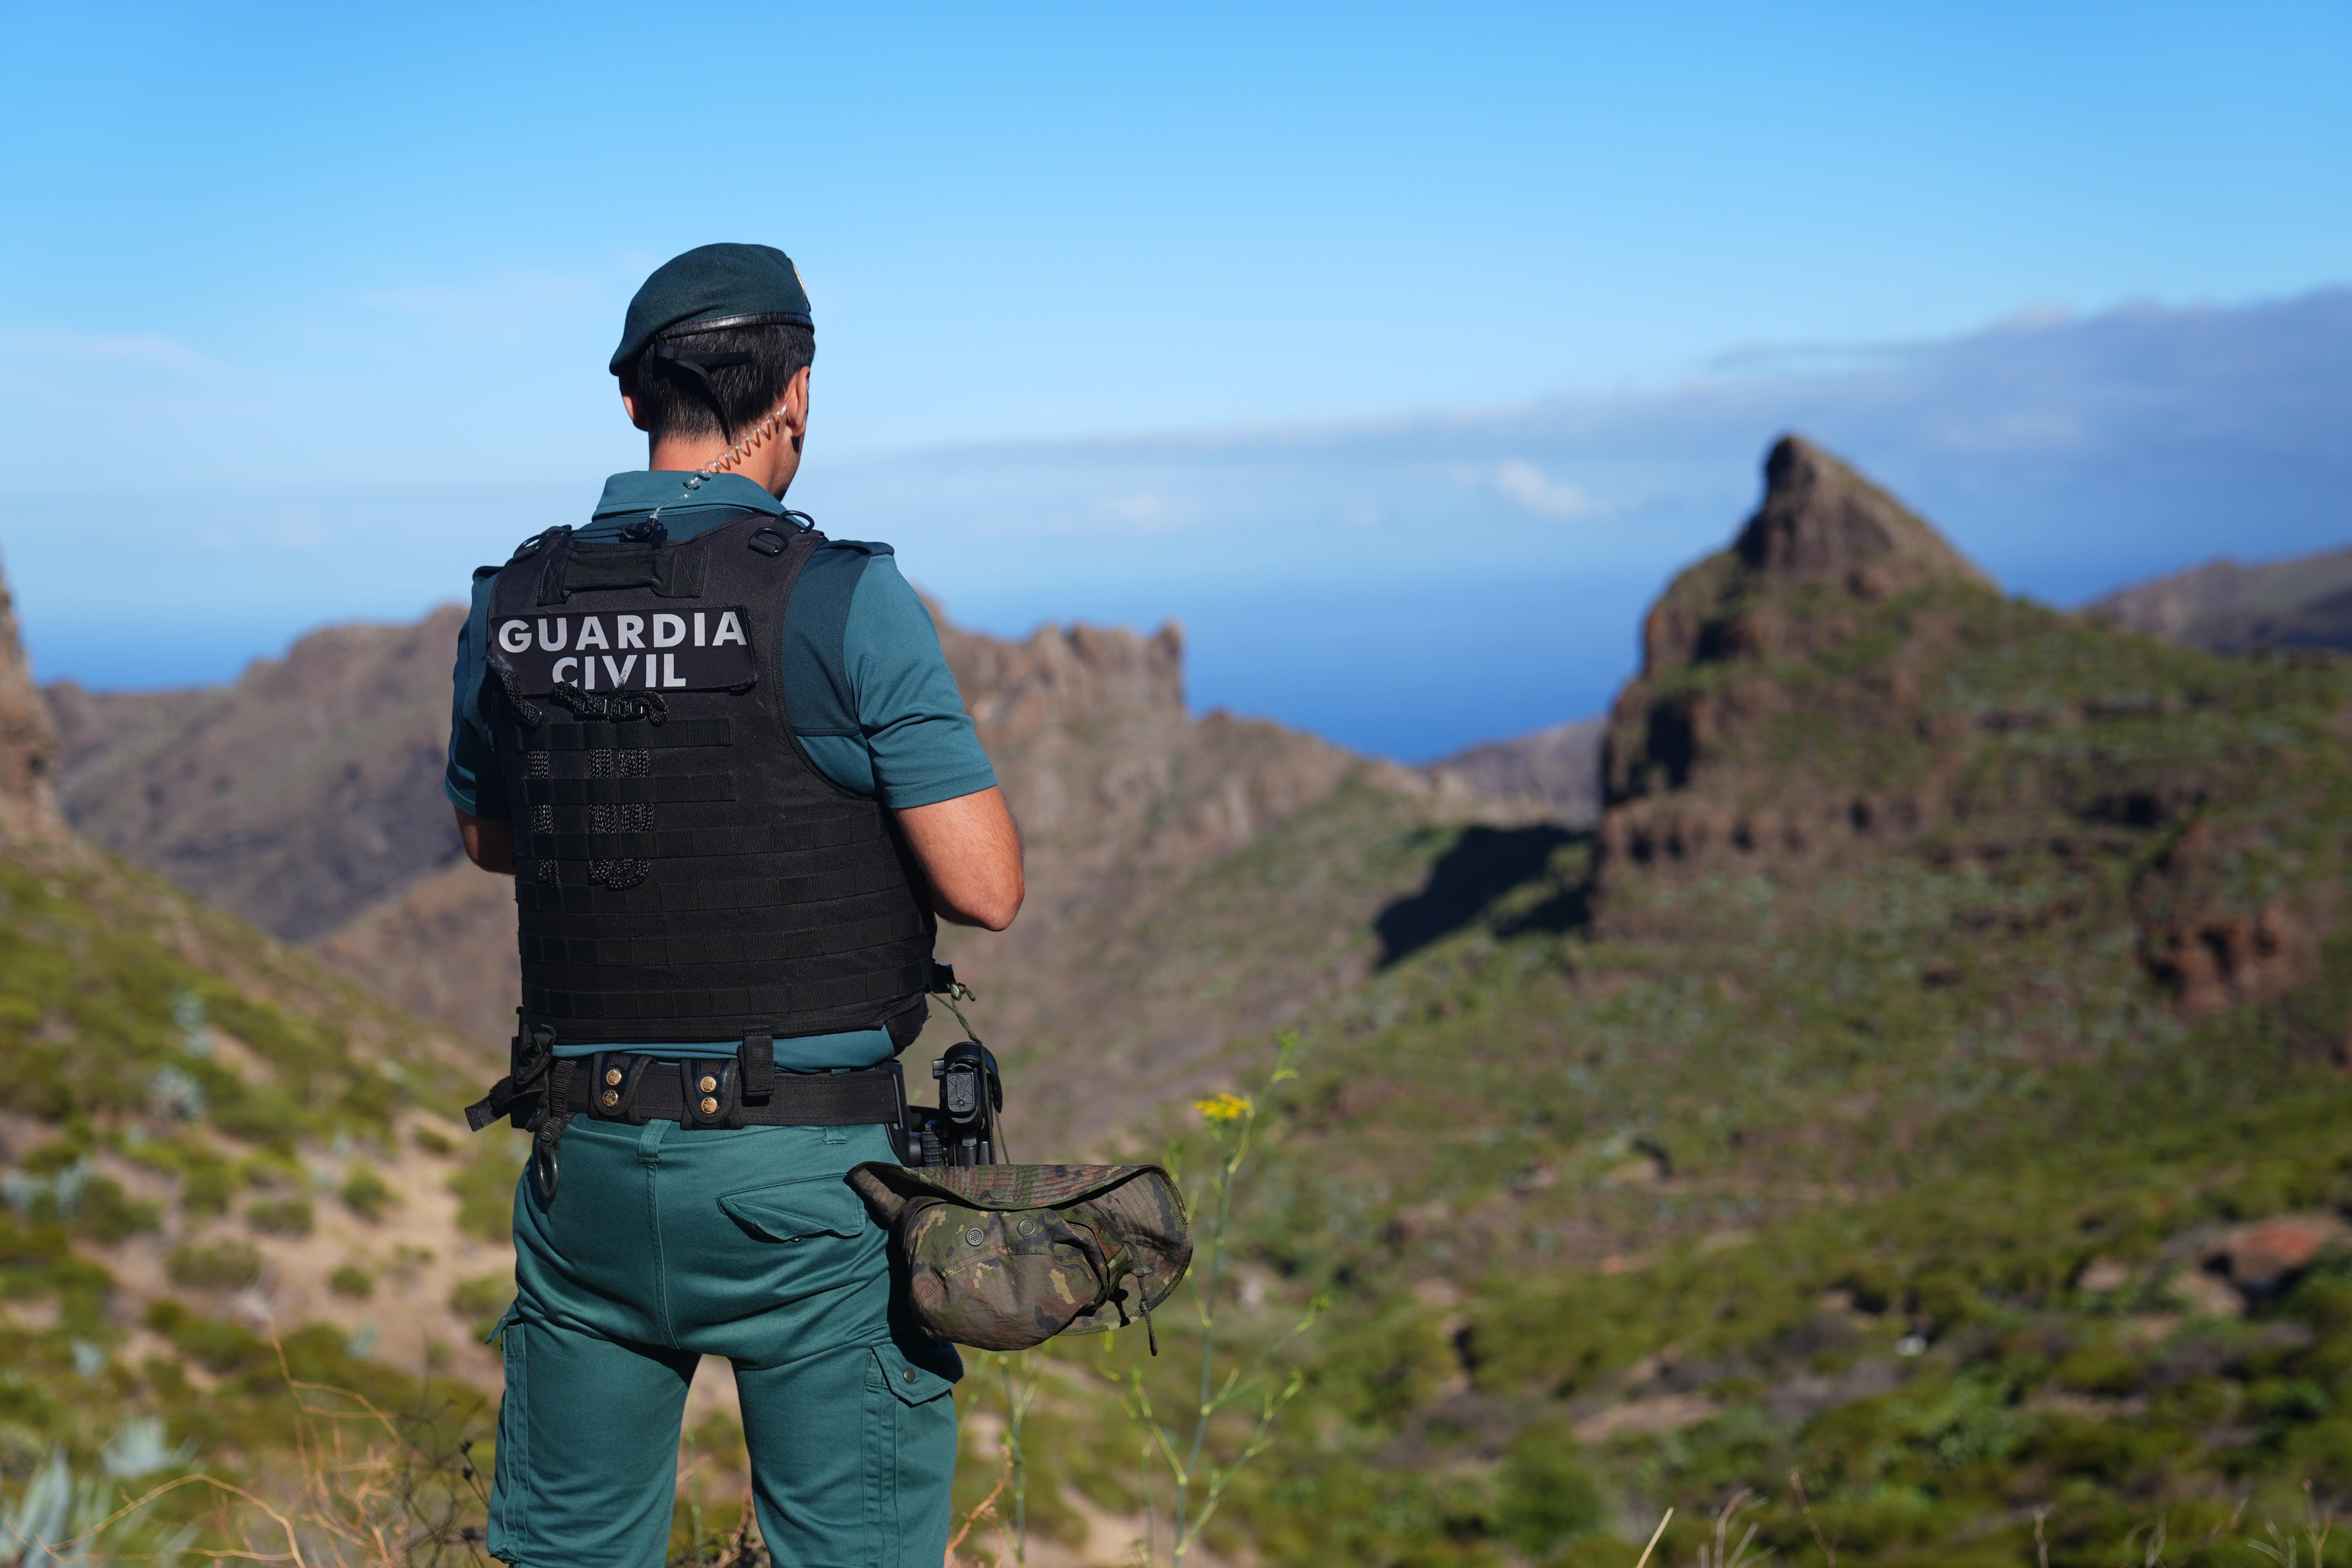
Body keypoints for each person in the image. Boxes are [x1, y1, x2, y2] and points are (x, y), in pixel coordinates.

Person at [444, 242, 1023, 1567]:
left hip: (581, 1163)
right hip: (801, 1182)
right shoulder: (840, 599)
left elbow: (491, 837)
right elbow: (987, 891)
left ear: (636, 400)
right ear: (797, 396)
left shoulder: (514, 601)